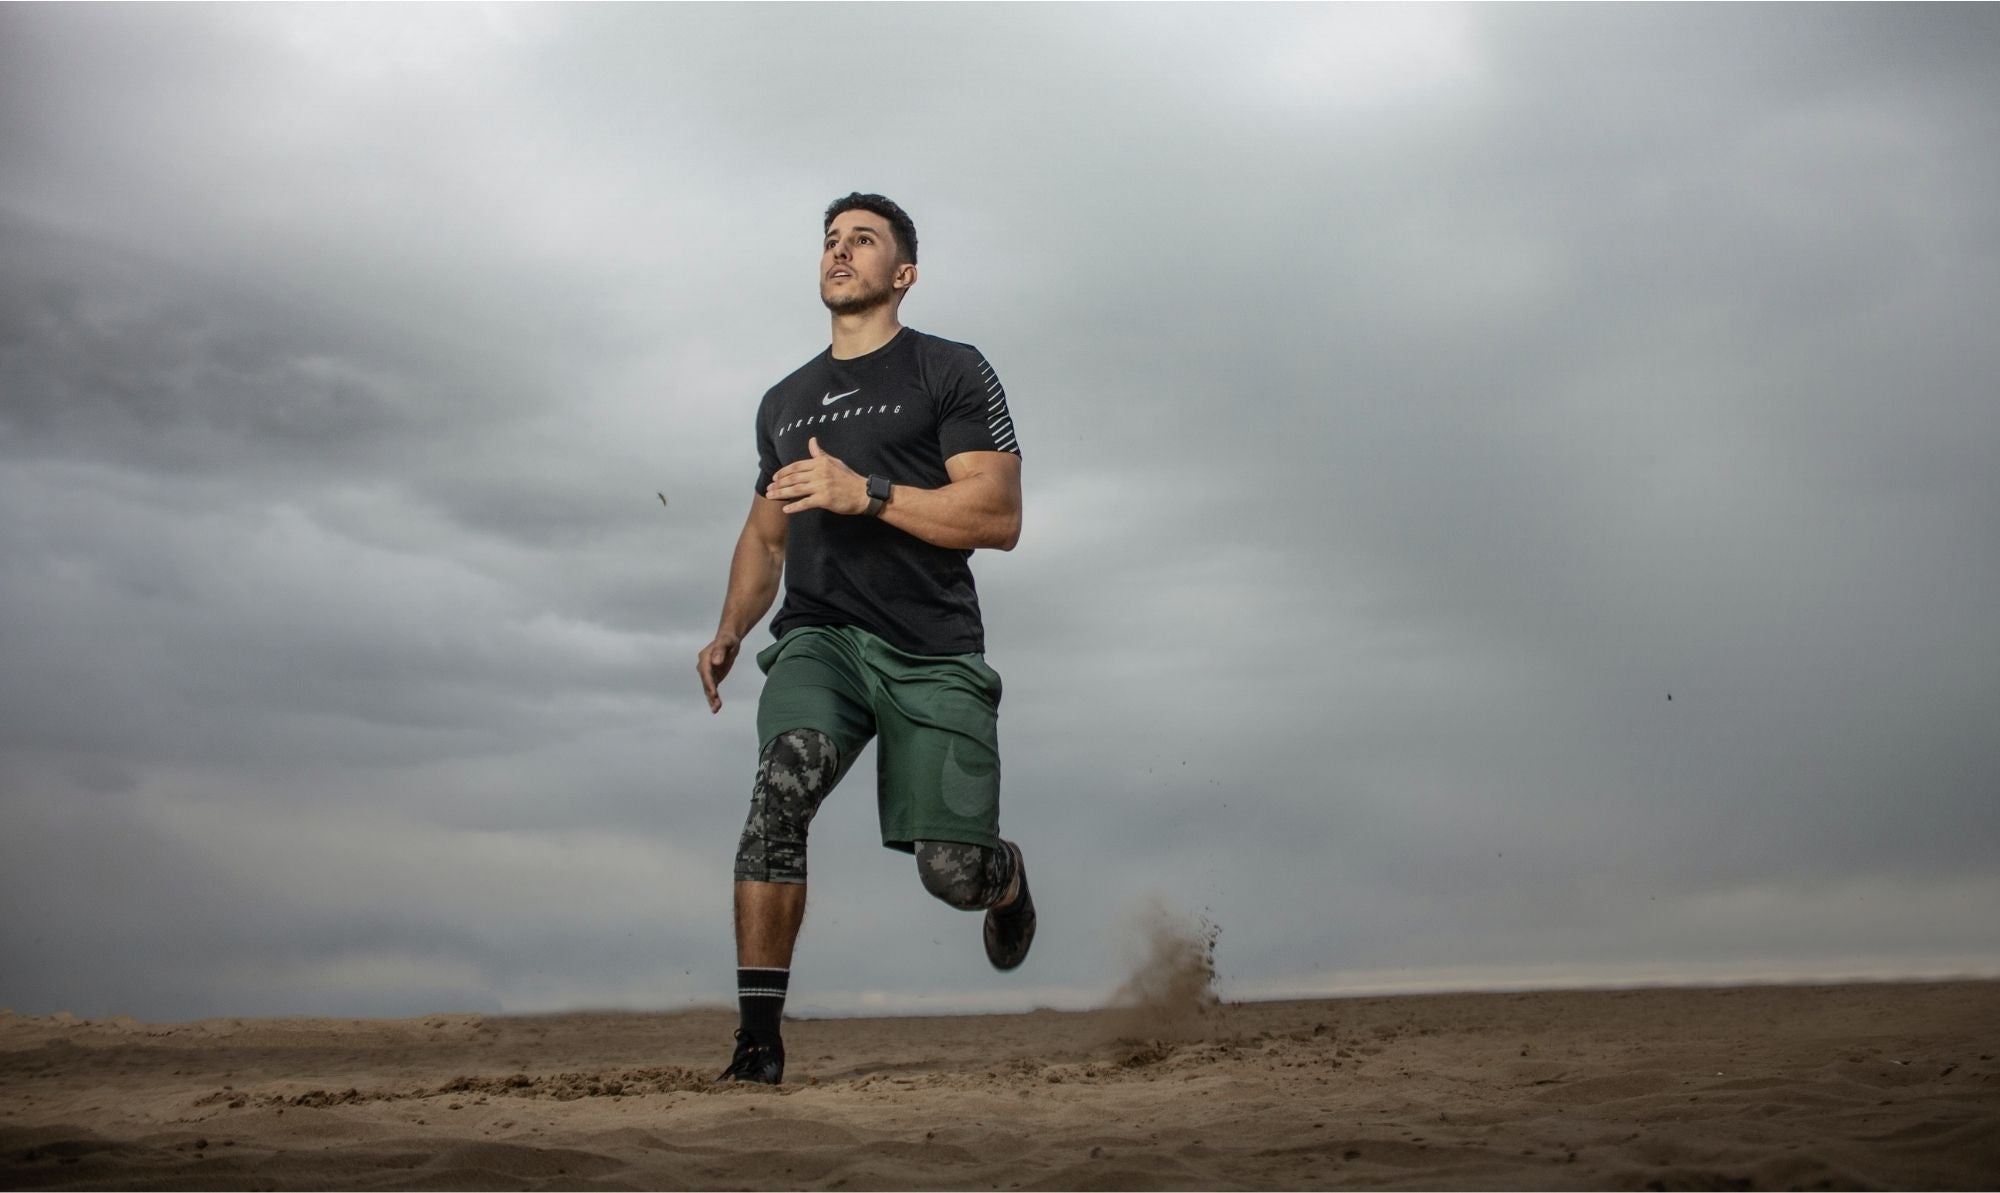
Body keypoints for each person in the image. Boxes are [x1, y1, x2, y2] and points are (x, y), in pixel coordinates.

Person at [695, 193, 1033, 1085]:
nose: (840, 251)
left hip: (931, 647)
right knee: (780, 791)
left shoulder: (949, 369)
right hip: (822, 640)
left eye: (864, 240)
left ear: (904, 273)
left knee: (949, 871)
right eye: (831, 240)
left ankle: (1004, 877)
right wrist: (733, 625)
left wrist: (868, 493)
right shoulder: (785, 400)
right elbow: (766, 535)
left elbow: (998, 516)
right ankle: (757, 1044)